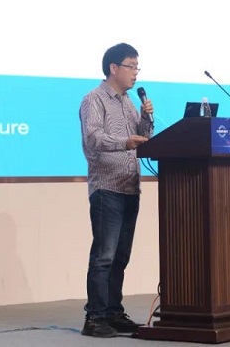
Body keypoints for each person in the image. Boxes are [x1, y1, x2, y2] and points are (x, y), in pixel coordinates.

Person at [79, 42, 154, 338]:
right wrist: (124, 142)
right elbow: (92, 138)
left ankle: (113, 312)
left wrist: (146, 118)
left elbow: (142, 138)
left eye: (137, 67)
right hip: (107, 188)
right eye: (131, 66)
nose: (135, 73)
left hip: (129, 186)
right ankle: (95, 318)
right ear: (113, 68)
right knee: (104, 256)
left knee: (121, 256)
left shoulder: (127, 102)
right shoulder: (94, 99)